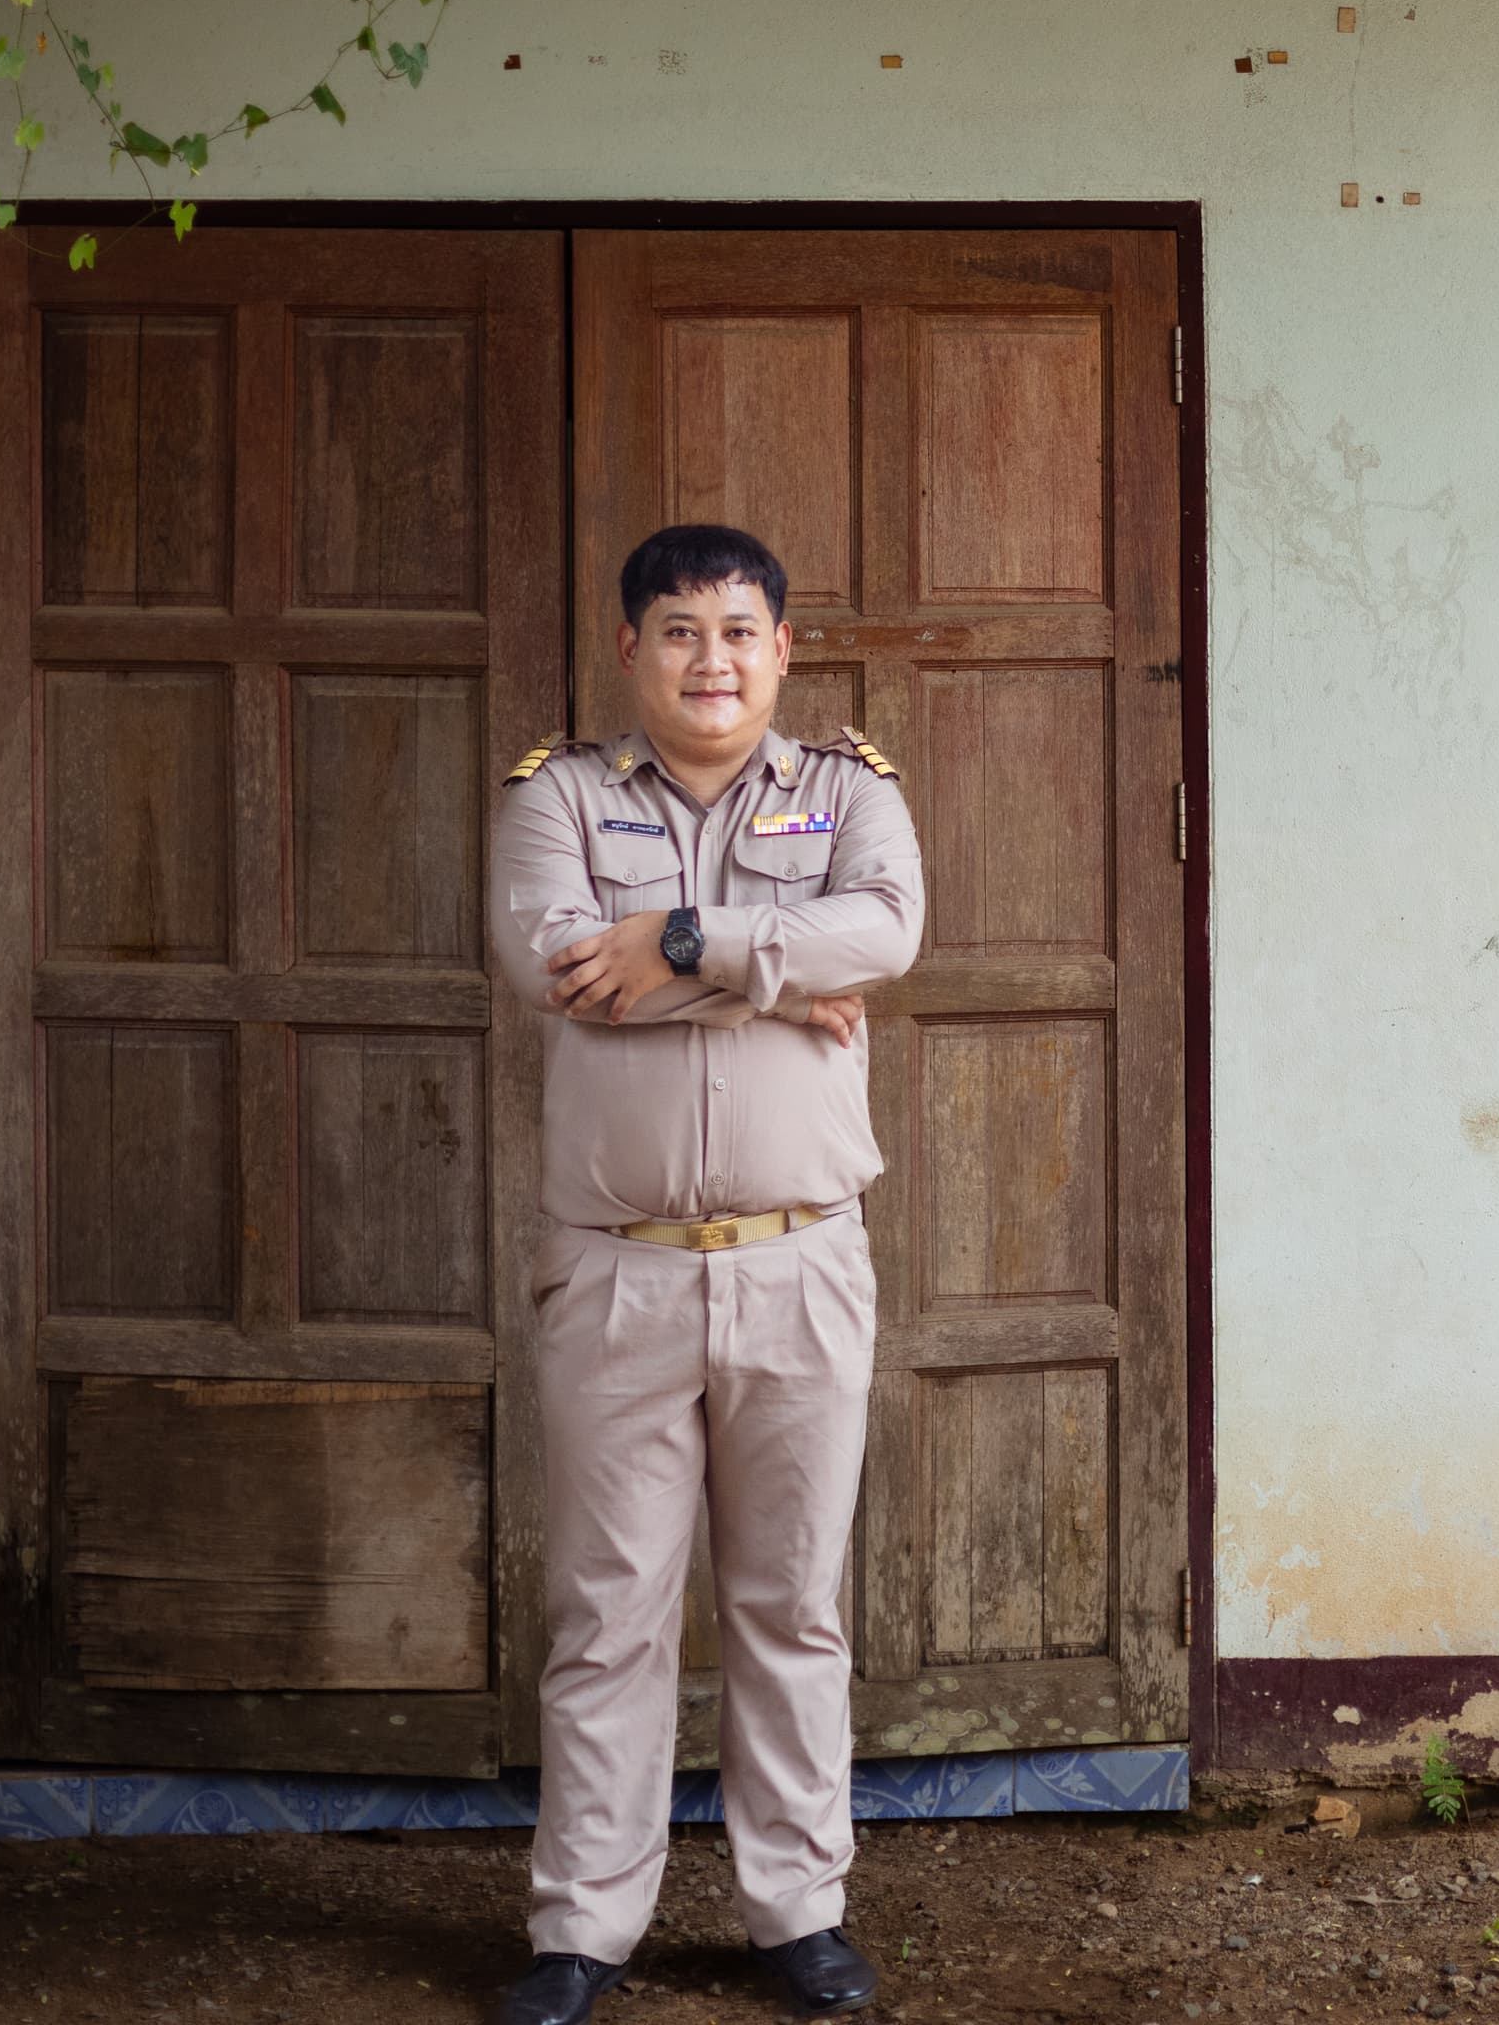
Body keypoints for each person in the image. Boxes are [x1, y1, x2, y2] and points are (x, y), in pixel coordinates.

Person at [485, 523, 923, 2025]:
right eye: (680, 631)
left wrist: (680, 938)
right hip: (619, 1274)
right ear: (632, 650)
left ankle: (796, 1911)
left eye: (741, 631)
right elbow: (554, 967)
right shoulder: (558, 799)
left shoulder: (848, 790)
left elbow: (890, 927)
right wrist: (784, 982)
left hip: (801, 1267)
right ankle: (581, 1931)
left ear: (782, 651)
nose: (713, 659)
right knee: (608, 1610)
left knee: (791, 1603)